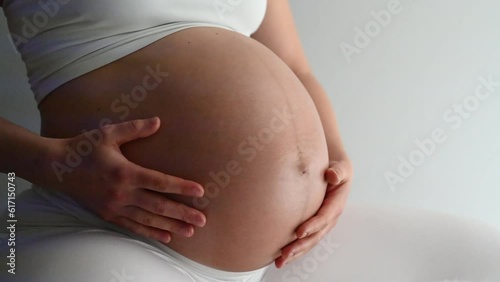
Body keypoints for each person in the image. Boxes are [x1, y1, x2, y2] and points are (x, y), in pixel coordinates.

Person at [0, 0, 353, 281]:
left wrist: (336, 159)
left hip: (267, 263)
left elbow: (296, 66)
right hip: (95, 233)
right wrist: (56, 165)